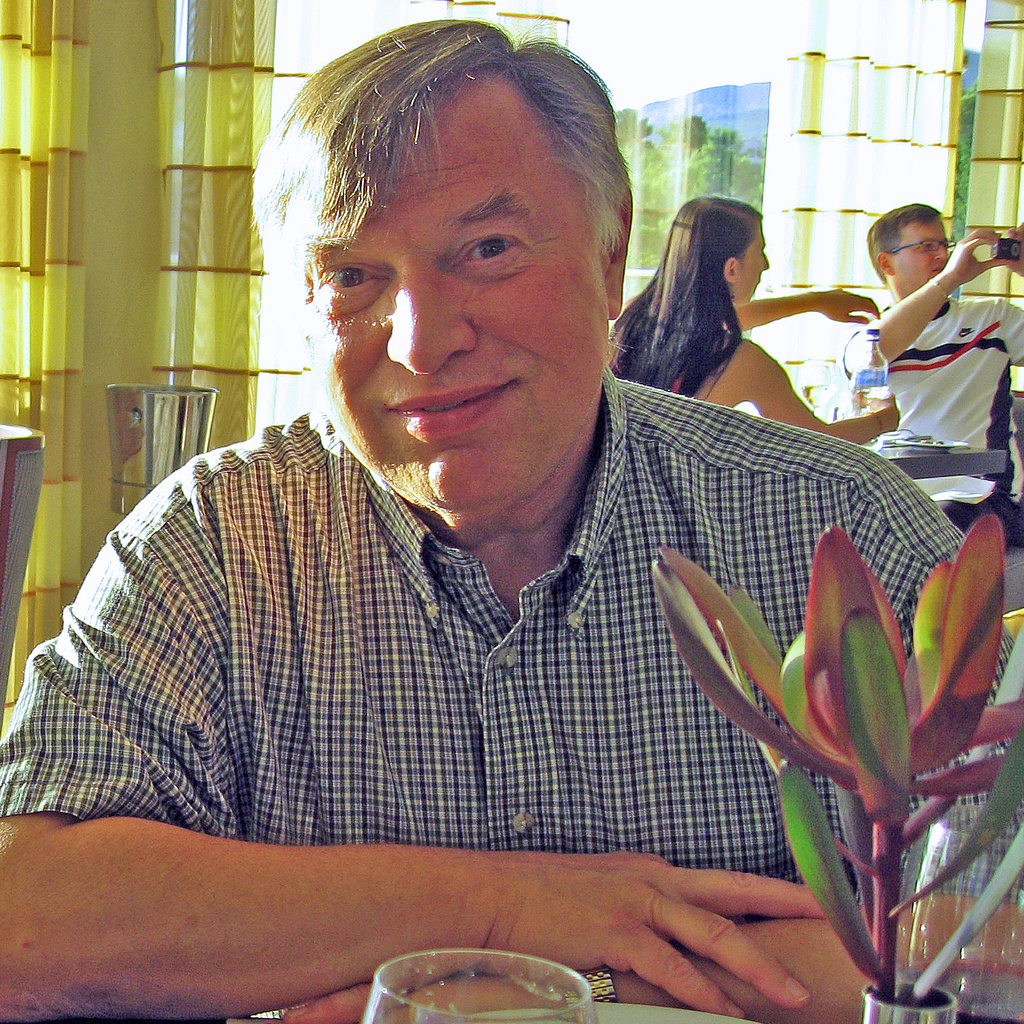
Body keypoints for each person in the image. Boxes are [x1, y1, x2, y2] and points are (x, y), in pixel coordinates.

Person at [0, 20, 966, 1024]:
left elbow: (987, 930)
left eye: (487, 249)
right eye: (351, 276)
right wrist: (505, 909)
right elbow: (27, 920)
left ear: (609, 249)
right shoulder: (212, 547)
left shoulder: (844, 532)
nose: (420, 341)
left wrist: (535, 980)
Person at [613, 197, 898, 443]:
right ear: (732, 269)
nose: (766, 264)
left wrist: (816, 301)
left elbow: (707, 320)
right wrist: (884, 420)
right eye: (760, 251)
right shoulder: (740, 360)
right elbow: (815, 441)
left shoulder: (632, 322)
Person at [856, 202, 1024, 544]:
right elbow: (879, 350)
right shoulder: (868, 336)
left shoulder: (993, 318)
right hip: (896, 494)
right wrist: (950, 280)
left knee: (935, 522)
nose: (941, 256)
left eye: (943, 245)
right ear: (886, 262)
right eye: (926, 247)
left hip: (982, 494)